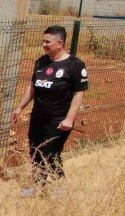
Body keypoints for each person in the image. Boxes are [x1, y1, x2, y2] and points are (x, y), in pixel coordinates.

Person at [12, 26, 88, 195]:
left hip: (59, 120)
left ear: (60, 43)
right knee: (35, 151)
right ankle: (38, 185)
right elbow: (32, 87)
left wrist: (69, 119)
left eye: (47, 42)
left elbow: (78, 94)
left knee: (51, 154)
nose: (43, 45)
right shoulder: (41, 62)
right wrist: (20, 107)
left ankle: (60, 187)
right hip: (38, 118)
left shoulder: (75, 65)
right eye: (43, 41)